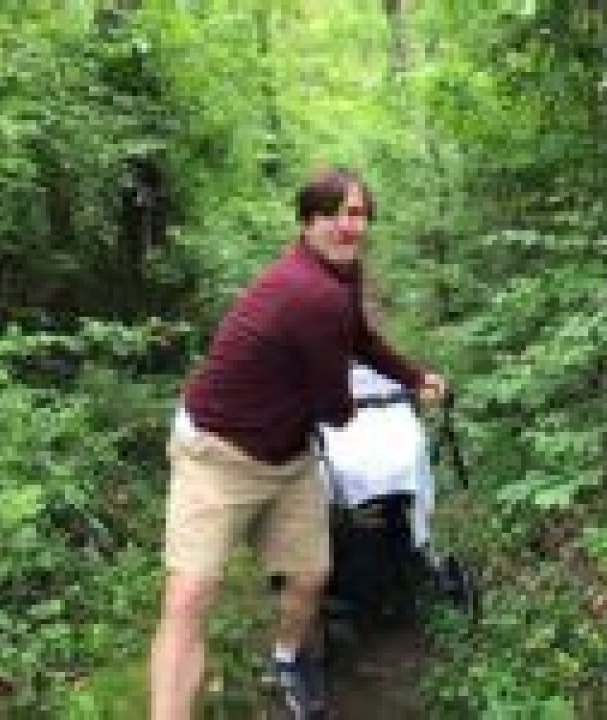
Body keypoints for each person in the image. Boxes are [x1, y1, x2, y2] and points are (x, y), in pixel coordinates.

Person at [149, 167, 446, 720]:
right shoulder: (309, 292)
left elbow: (360, 340)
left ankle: (287, 658)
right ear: (307, 222)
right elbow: (334, 407)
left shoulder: (342, 274)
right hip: (217, 453)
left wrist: (413, 377)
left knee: (310, 576)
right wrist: (366, 406)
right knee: (188, 599)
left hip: (288, 456)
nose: (347, 225)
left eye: (357, 213)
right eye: (332, 214)